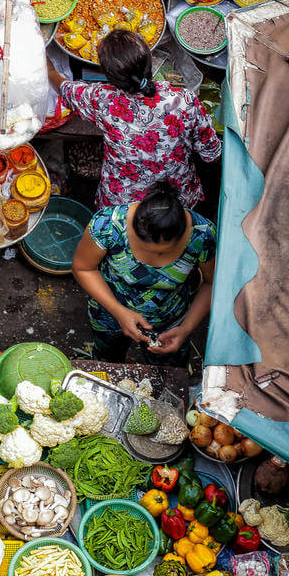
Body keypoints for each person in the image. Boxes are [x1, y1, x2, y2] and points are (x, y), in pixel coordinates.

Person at [47, 29, 221, 209]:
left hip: (123, 203)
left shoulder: (102, 100)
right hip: (177, 199)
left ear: (108, 75)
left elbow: (61, 85)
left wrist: (42, 53)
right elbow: (212, 154)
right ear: (150, 60)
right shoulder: (184, 100)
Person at [72, 180, 216, 365]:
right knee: (108, 361)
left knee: (167, 372)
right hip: (109, 312)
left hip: (169, 322)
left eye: (161, 252)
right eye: (143, 248)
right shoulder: (107, 225)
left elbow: (211, 283)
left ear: (183, 235)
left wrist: (186, 328)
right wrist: (118, 311)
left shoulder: (202, 236)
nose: (151, 259)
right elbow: (83, 268)